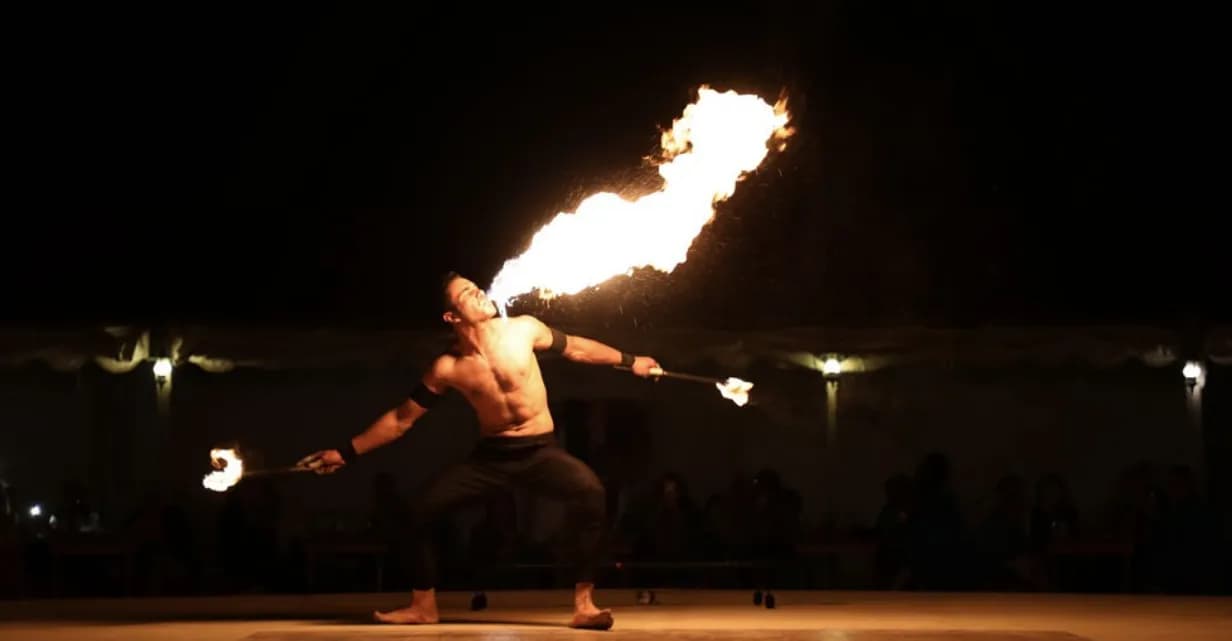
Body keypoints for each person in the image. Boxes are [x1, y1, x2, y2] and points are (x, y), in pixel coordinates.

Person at [298, 272, 660, 629]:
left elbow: (578, 348)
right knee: (415, 512)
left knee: (591, 494)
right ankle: (423, 606)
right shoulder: (447, 367)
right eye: (467, 294)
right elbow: (401, 419)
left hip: (539, 451)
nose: (479, 294)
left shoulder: (522, 329)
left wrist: (630, 362)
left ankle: (584, 606)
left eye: (476, 288)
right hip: (492, 458)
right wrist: (345, 453)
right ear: (452, 317)